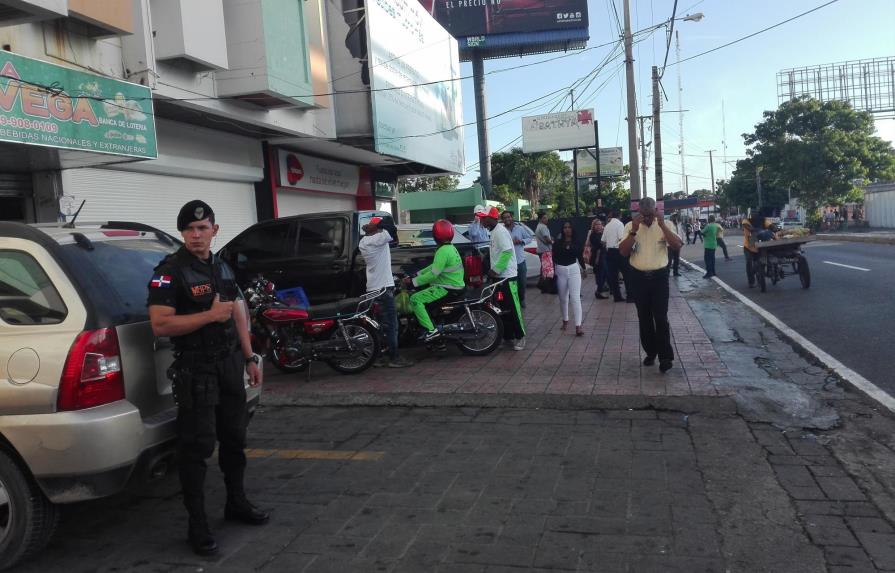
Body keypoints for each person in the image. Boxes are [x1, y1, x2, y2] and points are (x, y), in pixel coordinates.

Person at [147, 200, 268, 556]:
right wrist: (209, 317)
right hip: (196, 369)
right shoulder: (169, 271)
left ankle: (236, 503)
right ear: (182, 233)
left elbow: (238, 311)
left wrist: (249, 356)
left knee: (234, 439)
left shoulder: (222, 266)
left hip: (230, 364)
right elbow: (161, 323)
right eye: (189, 230)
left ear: (214, 231)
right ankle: (196, 525)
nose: (196, 235)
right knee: (196, 448)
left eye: (203, 229)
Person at [618, 198, 683, 373]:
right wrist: (633, 231)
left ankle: (665, 357)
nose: (646, 218)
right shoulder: (630, 226)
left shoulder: (665, 223)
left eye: (650, 214)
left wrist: (662, 226)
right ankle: (651, 351)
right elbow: (623, 252)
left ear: (655, 210)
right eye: (643, 214)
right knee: (644, 318)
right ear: (639, 211)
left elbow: (676, 245)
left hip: (660, 278)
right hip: (638, 277)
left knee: (661, 318)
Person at [359, 216, 412, 368]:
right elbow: (391, 225)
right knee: (392, 324)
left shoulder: (364, 242)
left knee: (380, 325)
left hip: (372, 289)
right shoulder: (378, 239)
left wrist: (373, 227)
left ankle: (380, 357)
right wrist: (377, 226)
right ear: (376, 229)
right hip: (383, 289)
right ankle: (394, 358)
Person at [406, 220, 465, 342]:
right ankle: (438, 340)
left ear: (435, 236)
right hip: (454, 285)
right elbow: (435, 266)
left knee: (415, 299)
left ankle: (431, 331)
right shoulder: (450, 248)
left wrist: (413, 282)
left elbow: (433, 274)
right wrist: (418, 274)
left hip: (447, 287)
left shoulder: (442, 251)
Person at [478, 206, 526, 350]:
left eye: (483, 218)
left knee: (513, 308)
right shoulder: (494, 232)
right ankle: (509, 337)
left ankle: (520, 337)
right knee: (502, 309)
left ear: (491, 218)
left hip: (507, 278)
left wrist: (496, 270)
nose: (481, 220)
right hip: (500, 278)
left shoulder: (500, 232)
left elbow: (507, 252)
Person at [553, 221, 587, 335]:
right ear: (562, 230)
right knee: (563, 298)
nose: (567, 229)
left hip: (573, 270)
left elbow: (580, 256)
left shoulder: (577, 242)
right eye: (565, 227)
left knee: (575, 298)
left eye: (569, 227)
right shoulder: (557, 242)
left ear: (572, 229)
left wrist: (584, 269)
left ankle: (578, 326)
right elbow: (554, 257)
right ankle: (565, 320)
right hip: (560, 270)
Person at [501, 210, 534, 309]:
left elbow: (529, 238)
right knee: (511, 284)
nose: (507, 219)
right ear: (502, 220)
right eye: (505, 217)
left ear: (512, 217)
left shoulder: (519, 228)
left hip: (520, 261)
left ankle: (522, 299)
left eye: (508, 217)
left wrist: (521, 241)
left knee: (522, 283)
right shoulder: (502, 231)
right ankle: (513, 302)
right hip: (508, 263)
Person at [602, 209, 628, 302]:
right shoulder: (620, 224)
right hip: (619, 251)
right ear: (620, 215)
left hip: (610, 252)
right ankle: (629, 295)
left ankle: (617, 296)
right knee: (626, 273)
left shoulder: (607, 226)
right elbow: (622, 238)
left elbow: (603, 241)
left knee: (613, 275)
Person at [741, 210, 773, 288]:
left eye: (755, 213)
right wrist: (761, 230)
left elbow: (770, 225)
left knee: (764, 260)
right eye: (752, 213)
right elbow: (749, 228)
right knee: (749, 262)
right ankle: (751, 282)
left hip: (760, 245)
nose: (754, 215)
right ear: (750, 215)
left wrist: (774, 228)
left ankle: (763, 275)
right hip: (749, 245)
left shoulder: (763, 220)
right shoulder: (746, 221)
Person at [586, 218, 608, 298]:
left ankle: (600, 289)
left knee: (604, 273)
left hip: (603, 256)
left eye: (600, 224)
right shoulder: (593, 234)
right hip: (598, 257)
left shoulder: (602, 233)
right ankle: (599, 291)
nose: (599, 226)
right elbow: (599, 244)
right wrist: (604, 243)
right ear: (594, 226)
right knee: (600, 274)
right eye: (596, 224)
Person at [535, 211, 553, 279]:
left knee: (543, 267)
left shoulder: (538, 226)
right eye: (544, 218)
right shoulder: (543, 227)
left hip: (541, 250)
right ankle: (545, 283)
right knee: (547, 269)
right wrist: (553, 242)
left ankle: (543, 283)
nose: (546, 219)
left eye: (546, 218)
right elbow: (546, 239)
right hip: (546, 251)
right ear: (540, 219)